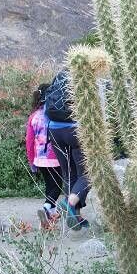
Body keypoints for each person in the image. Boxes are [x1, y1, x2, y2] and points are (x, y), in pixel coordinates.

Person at [45, 70, 90, 230]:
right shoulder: (82, 81)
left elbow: (45, 113)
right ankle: (69, 202)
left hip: (54, 131)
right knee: (87, 173)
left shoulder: (56, 83)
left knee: (69, 174)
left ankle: (75, 216)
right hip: (75, 131)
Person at [26, 84, 62, 229]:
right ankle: (47, 207)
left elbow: (29, 142)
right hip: (54, 158)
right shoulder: (55, 113)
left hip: (39, 159)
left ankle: (50, 215)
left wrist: (31, 161)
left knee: (49, 185)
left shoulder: (33, 116)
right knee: (57, 186)